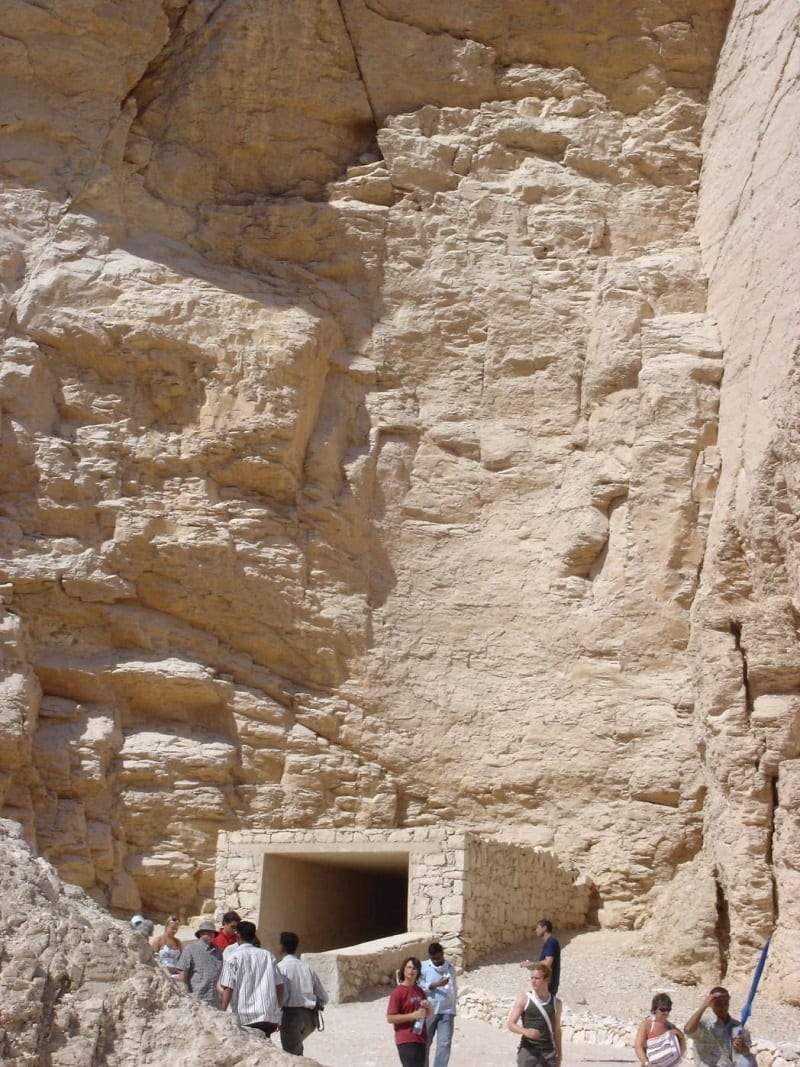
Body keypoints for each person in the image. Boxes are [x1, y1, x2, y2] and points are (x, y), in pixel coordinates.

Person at [218, 920, 284, 1038]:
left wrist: (221, 1012)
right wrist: (278, 1011)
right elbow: (279, 985)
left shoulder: (233, 958)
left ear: (238, 935)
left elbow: (228, 988)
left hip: (245, 1018)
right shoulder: (268, 956)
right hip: (267, 1015)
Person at [277, 930, 328, 1056]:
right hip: (310, 1018)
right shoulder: (306, 967)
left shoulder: (280, 967)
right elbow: (323, 996)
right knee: (297, 1050)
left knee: (293, 1056)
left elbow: (280, 997)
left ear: (282, 947)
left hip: (291, 1016)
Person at [507, 961, 562, 1067]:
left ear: (546, 979)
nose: (533, 981)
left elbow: (557, 1031)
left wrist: (559, 1055)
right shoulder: (524, 998)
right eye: (532, 978)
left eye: (537, 978)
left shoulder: (557, 1003)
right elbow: (510, 1024)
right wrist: (526, 1032)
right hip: (528, 1051)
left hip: (549, 1053)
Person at [684, 988, 757, 1067]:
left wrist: (743, 1048)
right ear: (711, 1004)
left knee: (749, 1061)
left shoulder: (737, 1026)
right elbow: (688, 1030)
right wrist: (704, 1005)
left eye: (725, 1003)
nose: (722, 1007)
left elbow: (745, 1052)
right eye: (718, 1004)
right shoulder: (705, 1024)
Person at [387, 956, 432, 1067]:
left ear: (418, 972)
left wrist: (429, 1006)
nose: (411, 971)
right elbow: (390, 1018)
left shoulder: (419, 990)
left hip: (421, 1038)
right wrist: (412, 1016)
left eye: (414, 968)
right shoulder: (398, 992)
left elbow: (428, 1015)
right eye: (409, 967)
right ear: (403, 970)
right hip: (406, 1039)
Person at [420, 941, 457, 1067]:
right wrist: (435, 985)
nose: (436, 961)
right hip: (429, 1012)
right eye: (433, 959)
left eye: (438, 958)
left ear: (442, 954)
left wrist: (453, 1009)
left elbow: (453, 989)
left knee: (444, 1043)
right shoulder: (424, 967)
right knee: (425, 1043)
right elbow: (418, 987)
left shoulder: (450, 968)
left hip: (447, 1012)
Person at [177, 920, 222, 1008]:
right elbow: (182, 972)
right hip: (197, 998)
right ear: (200, 934)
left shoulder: (217, 951)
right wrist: (185, 994)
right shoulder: (190, 949)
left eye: (212, 932)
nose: (211, 934)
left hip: (214, 999)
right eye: (208, 932)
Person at [634, 993, 687, 1067]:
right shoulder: (647, 1025)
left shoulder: (670, 1027)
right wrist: (646, 1063)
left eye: (668, 1010)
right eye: (663, 1010)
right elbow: (638, 1046)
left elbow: (682, 1045)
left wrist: (680, 1035)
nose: (666, 1013)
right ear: (655, 1009)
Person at [522, 920, 561, 997]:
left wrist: (532, 964)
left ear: (544, 928)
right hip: (547, 983)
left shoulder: (550, 942)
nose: (536, 930)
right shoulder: (550, 942)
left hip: (548, 984)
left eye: (538, 927)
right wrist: (531, 966)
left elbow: (548, 962)